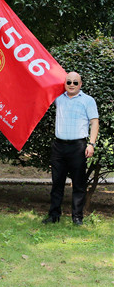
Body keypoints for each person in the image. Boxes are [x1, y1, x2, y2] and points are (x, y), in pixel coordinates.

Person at [44, 72, 99, 226]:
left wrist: (91, 144)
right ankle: (54, 216)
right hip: (59, 146)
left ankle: (77, 218)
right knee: (57, 183)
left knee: (79, 184)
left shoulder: (88, 100)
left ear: (80, 84)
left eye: (75, 82)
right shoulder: (58, 99)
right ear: (65, 84)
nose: (72, 85)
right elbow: (43, 88)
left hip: (78, 147)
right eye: (68, 82)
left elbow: (94, 122)